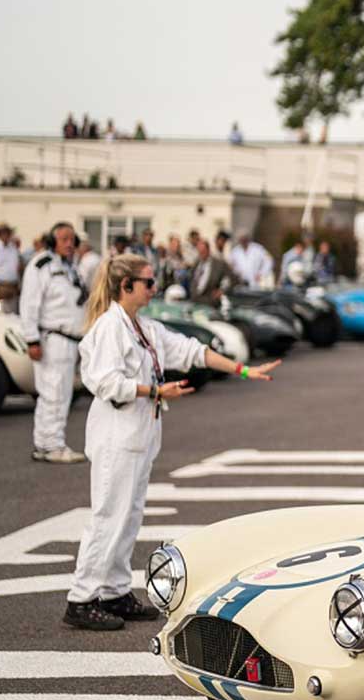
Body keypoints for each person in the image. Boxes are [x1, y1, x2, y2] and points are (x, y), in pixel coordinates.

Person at [65, 253, 280, 630]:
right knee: (107, 517)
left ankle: (114, 590)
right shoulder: (108, 330)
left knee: (129, 517)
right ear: (125, 286)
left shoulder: (143, 327)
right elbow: (104, 383)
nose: (154, 288)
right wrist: (156, 391)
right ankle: (81, 598)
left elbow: (192, 350)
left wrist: (244, 369)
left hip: (139, 436)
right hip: (116, 436)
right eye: (147, 283)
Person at [18, 222, 89, 464]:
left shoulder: (71, 268)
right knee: (53, 394)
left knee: (61, 394)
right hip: (52, 339)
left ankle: (46, 443)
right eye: (64, 239)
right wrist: (31, 340)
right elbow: (29, 305)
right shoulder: (42, 266)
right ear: (52, 241)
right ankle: (51, 445)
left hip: (70, 340)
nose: (69, 244)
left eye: (72, 239)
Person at [187, 236, 232, 305]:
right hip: (195, 302)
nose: (201, 254)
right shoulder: (197, 263)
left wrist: (222, 291)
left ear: (208, 250)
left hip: (210, 303)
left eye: (203, 251)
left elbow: (232, 278)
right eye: (199, 252)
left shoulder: (219, 264)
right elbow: (192, 278)